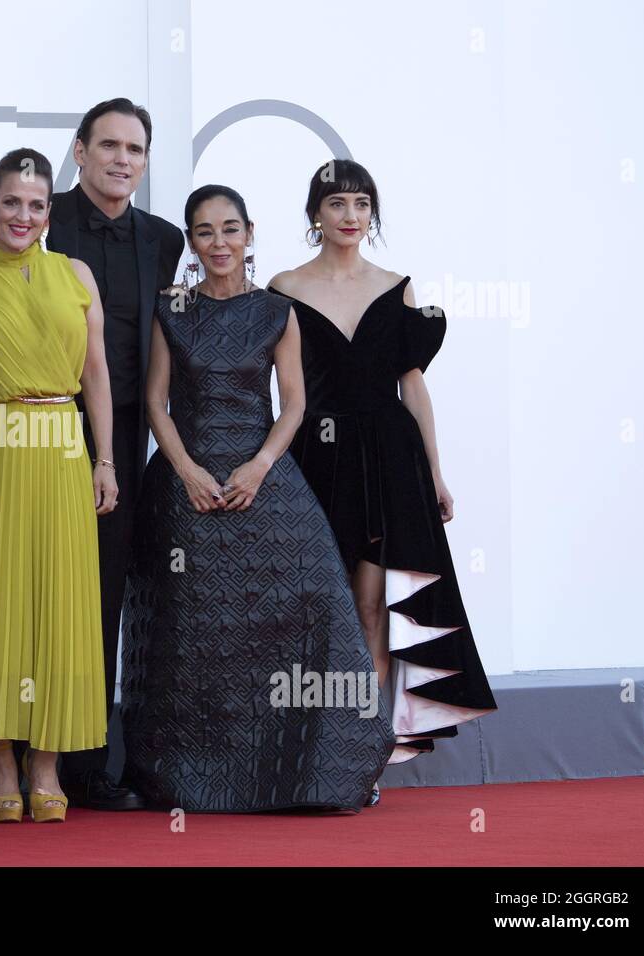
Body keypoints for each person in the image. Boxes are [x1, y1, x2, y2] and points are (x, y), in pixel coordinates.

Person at [122, 185, 392, 811]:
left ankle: (315, 771)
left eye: (229, 229)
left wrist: (260, 465)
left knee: (317, 602)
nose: (219, 243)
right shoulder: (173, 309)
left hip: (262, 477)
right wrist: (186, 469)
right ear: (191, 242)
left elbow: (294, 403)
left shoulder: (276, 311)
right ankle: (187, 774)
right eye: (204, 232)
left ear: (249, 235)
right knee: (191, 634)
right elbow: (157, 403)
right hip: (186, 487)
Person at [267, 159, 497, 793]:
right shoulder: (284, 286)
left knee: (371, 605)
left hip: (389, 458)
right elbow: (285, 389)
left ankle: (358, 752)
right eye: (337, 204)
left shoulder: (398, 288)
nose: (350, 216)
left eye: (362, 205)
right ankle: (309, 743)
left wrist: (436, 473)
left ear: (372, 215)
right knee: (320, 604)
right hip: (315, 456)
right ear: (315, 213)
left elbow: (413, 387)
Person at [0, 148, 117, 823]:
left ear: (51, 212)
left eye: (37, 204)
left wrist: (104, 460)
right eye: (11, 202)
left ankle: (46, 762)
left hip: (61, 450)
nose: (23, 215)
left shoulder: (75, 275)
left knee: (60, 603)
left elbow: (98, 376)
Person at [42, 98, 183, 811]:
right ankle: (25, 756)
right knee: (41, 587)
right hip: (42, 429)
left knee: (102, 593)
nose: (122, 158)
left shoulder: (164, 240)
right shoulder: (44, 218)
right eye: (109, 146)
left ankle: (90, 764)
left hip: (122, 438)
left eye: (135, 148)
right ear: (80, 150)